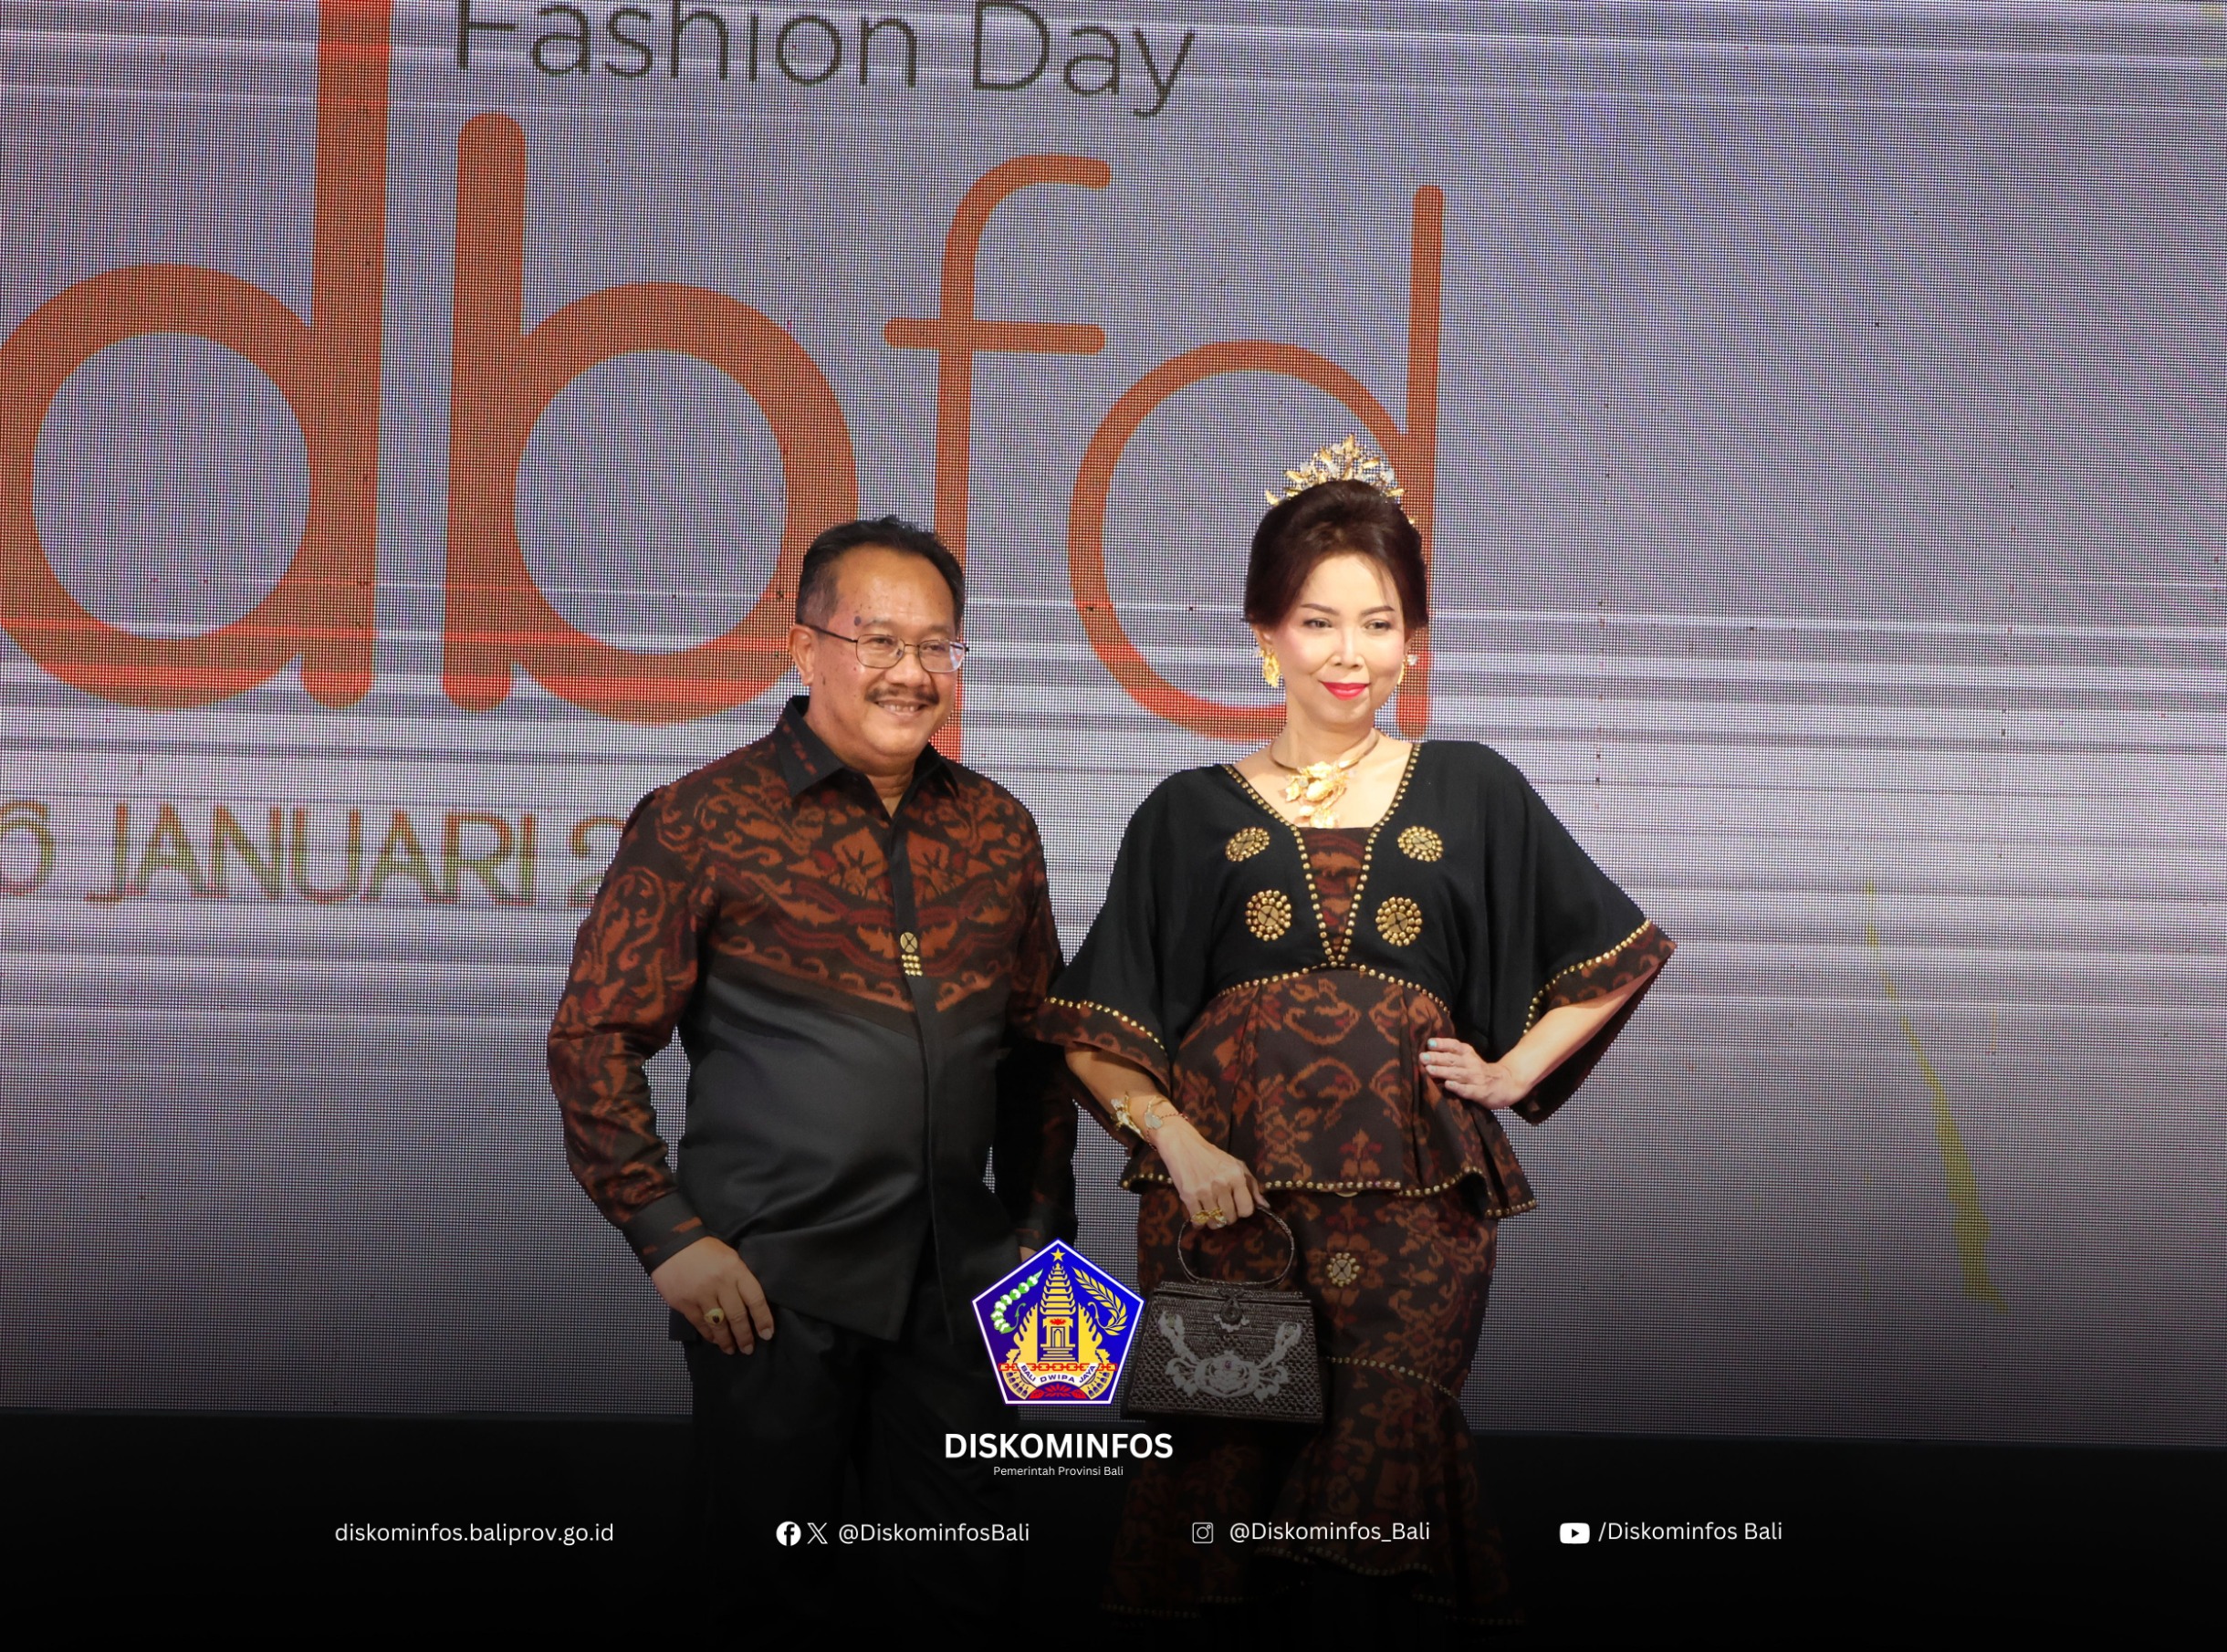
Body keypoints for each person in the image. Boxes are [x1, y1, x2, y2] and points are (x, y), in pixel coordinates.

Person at [1037, 439, 1674, 1630]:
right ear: (1265, 633)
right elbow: (1094, 1027)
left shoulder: (1474, 788)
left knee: (1381, 1487)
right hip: (1229, 1210)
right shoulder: (1185, 814)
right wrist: (1177, 1141)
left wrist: (1512, 1068)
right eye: (1318, 621)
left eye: (1379, 624)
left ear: (1413, 641)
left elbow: (1617, 950)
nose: (1350, 653)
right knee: (1221, 1493)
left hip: (1414, 1214)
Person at [547, 517, 1079, 1619]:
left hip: (962, 1284)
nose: (911, 673)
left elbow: (1036, 1051)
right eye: (878, 640)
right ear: (803, 648)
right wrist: (666, 1233)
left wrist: (1038, 1240)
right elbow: (594, 1036)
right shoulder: (701, 818)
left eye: (936, 646)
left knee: (970, 1585)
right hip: (768, 1287)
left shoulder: (997, 827)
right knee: (765, 1589)